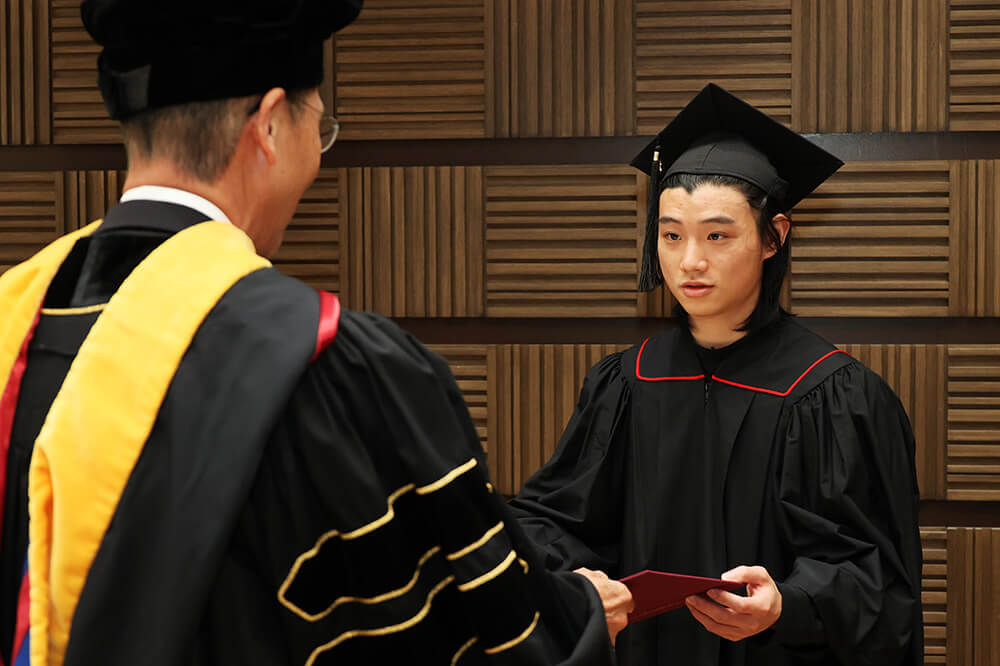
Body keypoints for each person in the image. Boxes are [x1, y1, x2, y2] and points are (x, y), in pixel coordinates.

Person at [0, 2, 627, 664]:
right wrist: (582, 610)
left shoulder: (17, 323)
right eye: (319, 127)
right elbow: (480, 635)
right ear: (269, 125)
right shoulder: (336, 371)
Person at [509, 83, 924, 666]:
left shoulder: (834, 395)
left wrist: (790, 603)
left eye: (717, 235)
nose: (690, 262)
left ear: (774, 237)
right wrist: (573, 578)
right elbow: (557, 520)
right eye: (671, 234)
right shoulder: (627, 384)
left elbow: (878, 579)